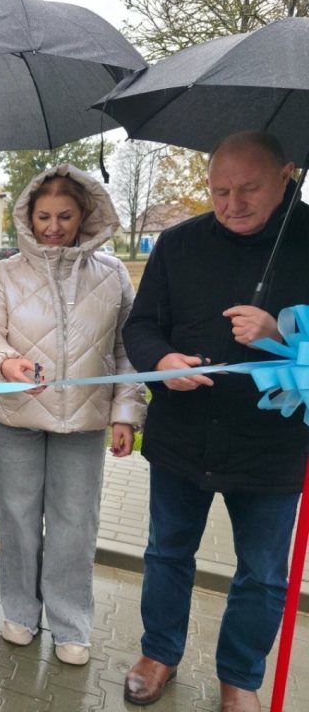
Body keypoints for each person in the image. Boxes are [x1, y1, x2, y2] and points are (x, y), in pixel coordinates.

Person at [121, 131, 309, 711]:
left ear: (287, 175)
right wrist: (160, 362)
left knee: (263, 573)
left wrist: (280, 334)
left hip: (273, 444)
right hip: (183, 435)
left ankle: (240, 678)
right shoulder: (178, 243)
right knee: (167, 552)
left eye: (248, 189)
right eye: (219, 191)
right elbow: (141, 325)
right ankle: (159, 652)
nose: (232, 204)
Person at [0, 165, 146, 664]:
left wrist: (126, 412)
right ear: (28, 217)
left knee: (75, 524)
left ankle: (71, 623)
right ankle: (21, 612)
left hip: (83, 424)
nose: (53, 226)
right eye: (43, 216)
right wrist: (5, 362)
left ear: (84, 215)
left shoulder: (112, 274)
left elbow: (128, 349)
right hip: (15, 417)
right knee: (18, 520)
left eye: (64, 215)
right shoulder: (3, 273)